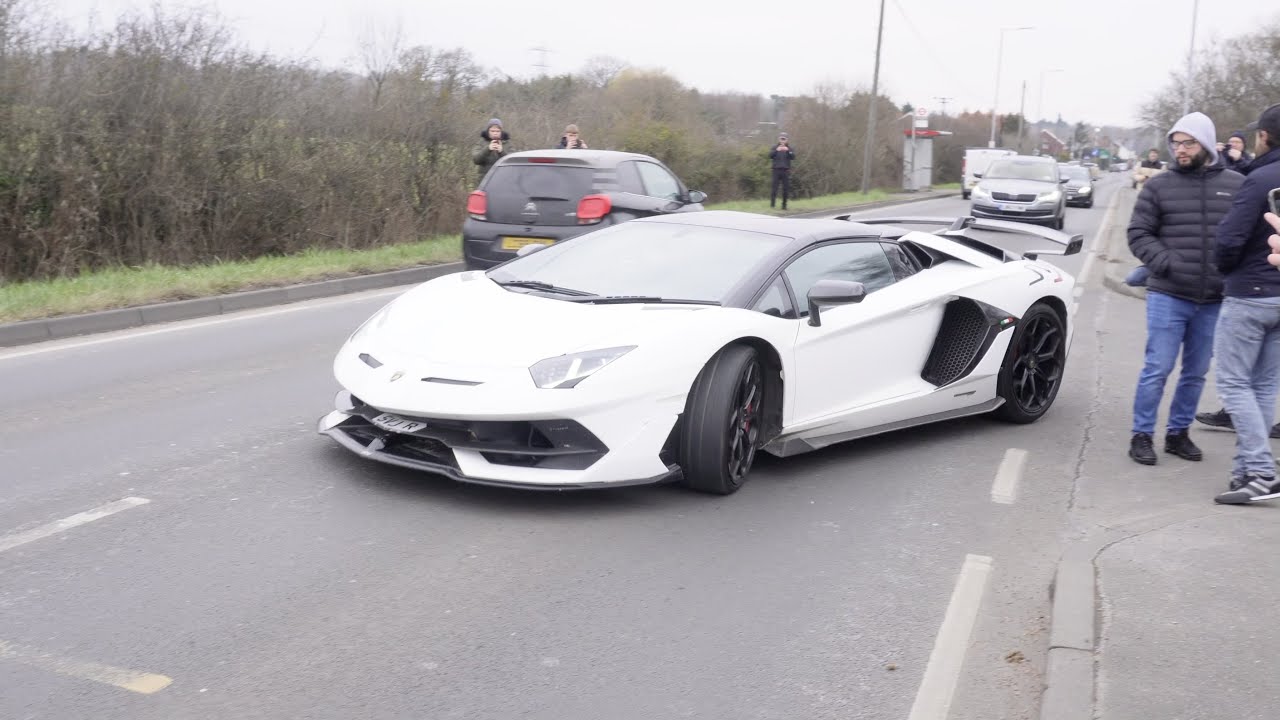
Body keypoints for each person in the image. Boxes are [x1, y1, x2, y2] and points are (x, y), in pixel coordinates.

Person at [1125, 112, 1244, 466]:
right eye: (1176, 143)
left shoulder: (1237, 185)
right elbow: (1138, 233)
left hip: (1214, 299)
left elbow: (1247, 236)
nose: (1180, 149)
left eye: (1188, 142)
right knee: (1157, 368)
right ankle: (1141, 435)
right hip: (1168, 294)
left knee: (1196, 373)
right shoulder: (1159, 186)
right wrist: (1165, 263)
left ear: (1206, 143)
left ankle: (1178, 434)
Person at [1209, 102, 1280, 504]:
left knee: (1234, 383)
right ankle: (1244, 475)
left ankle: (1260, 471)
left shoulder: (1257, 179)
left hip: (1250, 294)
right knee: (1264, 385)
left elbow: (1229, 239)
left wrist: (1225, 271)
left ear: (1264, 137)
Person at [769, 133, 795, 210]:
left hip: (786, 171)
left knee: (785, 189)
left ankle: (784, 205)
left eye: (784, 139)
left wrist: (788, 151)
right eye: (781, 139)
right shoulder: (775, 147)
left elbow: (793, 157)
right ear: (779, 139)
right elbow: (770, 156)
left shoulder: (789, 148)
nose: (782, 140)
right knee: (774, 188)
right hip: (776, 170)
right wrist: (777, 150)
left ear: (787, 140)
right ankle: (772, 205)